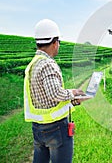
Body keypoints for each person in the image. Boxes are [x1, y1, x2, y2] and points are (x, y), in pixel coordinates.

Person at [24, 19, 88, 163]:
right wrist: (72, 95)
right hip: (55, 129)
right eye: (58, 42)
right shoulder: (48, 64)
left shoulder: (34, 63)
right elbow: (54, 94)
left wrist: (72, 94)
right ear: (54, 42)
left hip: (38, 128)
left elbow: (45, 95)